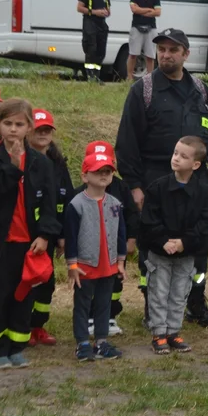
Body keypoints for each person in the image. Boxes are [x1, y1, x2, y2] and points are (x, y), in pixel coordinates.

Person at [115, 28, 208, 327]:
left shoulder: (202, 92)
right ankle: (155, 306)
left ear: (185, 54)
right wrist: (135, 186)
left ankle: (195, 302)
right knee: (154, 246)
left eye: (172, 50)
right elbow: (127, 143)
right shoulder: (144, 90)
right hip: (156, 181)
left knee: (197, 243)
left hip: (196, 184)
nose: (165, 55)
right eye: (161, 49)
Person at [0, 99, 60, 370]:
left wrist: (45, 235)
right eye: (8, 123)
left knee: (22, 298)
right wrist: (12, 167)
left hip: (30, 244)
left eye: (19, 124)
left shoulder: (41, 163)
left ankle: (16, 346)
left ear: (29, 127)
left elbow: (50, 205)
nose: (13, 129)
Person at [139, 137, 208, 354]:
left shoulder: (203, 193)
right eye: (175, 153)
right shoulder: (157, 188)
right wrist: (164, 242)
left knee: (179, 293)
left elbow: (204, 225)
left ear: (196, 164)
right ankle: (159, 333)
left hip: (186, 255)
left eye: (183, 156)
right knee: (158, 292)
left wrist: (184, 243)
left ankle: (173, 332)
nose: (176, 158)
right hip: (160, 254)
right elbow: (148, 221)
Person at [65, 150, 126, 362]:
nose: (103, 175)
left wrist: (120, 262)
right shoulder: (75, 205)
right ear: (84, 176)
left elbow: (120, 234)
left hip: (108, 266)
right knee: (82, 305)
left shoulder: (116, 204)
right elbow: (70, 237)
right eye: (98, 171)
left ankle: (101, 342)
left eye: (108, 172)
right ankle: (82, 343)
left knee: (104, 305)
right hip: (84, 266)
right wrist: (72, 265)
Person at [76, 141, 139, 334]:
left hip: (115, 249)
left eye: (107, 168)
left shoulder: (121, 189)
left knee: (114, 283)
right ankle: (88, 318)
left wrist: (131, 239)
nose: (102, 173)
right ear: (85, 170)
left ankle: (109, 316)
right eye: (97, 168)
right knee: (88, 284)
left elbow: (132, 215)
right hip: (89, 250)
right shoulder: (79, 194)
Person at [27, 108, 71, 347]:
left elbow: (66, 200)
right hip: (26, 233)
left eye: (47, 130)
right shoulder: (22, 160)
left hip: (51, 233)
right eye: (38, 129)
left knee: (46, 282)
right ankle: (20, 326)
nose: (42, 134)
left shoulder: (58, 163)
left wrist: (63, 235)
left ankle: (38, 326)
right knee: (25, 282)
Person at [76, 0, 110, 82]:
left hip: (102, 24)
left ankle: (96, 76)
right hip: (90, 22)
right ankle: (90, 76)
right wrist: (95, 12)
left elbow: (108, 11)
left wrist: (106, 12)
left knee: (101, 51)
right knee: (91, 50)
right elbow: (79, 8)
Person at [127, 0, 162, 80]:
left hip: (151, 28)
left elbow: (158, 12)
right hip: (136, 27)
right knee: (133, 54)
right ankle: (129, 77)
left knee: (150, 55)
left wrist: (140, 10)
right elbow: (134, 9)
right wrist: (149, 9)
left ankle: (150, 78)